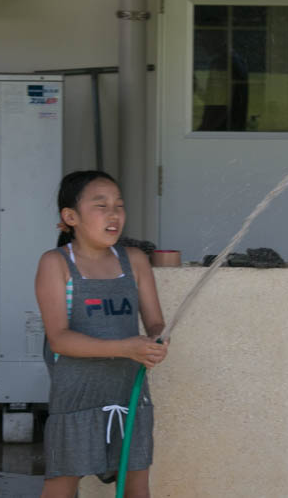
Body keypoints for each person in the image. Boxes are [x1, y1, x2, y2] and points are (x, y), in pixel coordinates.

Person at [35, 170, 168, 498]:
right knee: (62, 485)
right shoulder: (56, 263)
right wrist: (125, 348)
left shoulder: (134, 261)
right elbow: (59, 339)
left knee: (136, 485)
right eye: (101, 205)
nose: (114, 214)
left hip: (129, 394)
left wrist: (158, 340)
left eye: (119, 206)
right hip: (76, 397)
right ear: (70, 217)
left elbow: (155, 323)